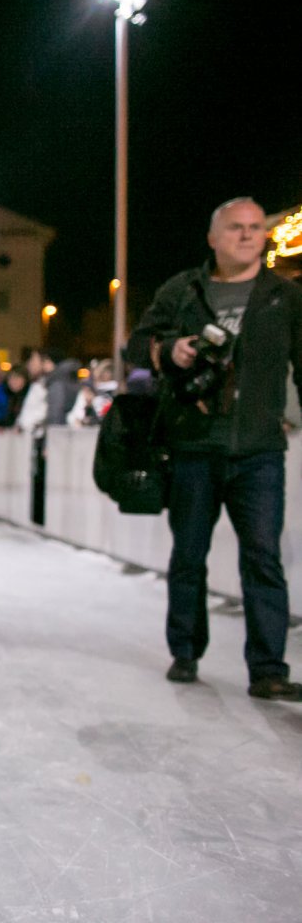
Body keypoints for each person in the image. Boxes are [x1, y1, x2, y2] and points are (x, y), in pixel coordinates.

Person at [127, 197, 302, 701]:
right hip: (193, 445)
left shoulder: (285, 297)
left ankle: (268, 669)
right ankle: (185, 652)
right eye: (235, 228)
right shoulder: (183, 290)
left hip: (259, 450)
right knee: (189, 555)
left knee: (263, 559)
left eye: (255, 228)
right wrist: (169, 350)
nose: (247, 236)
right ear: (213, 237)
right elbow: (136, 346)